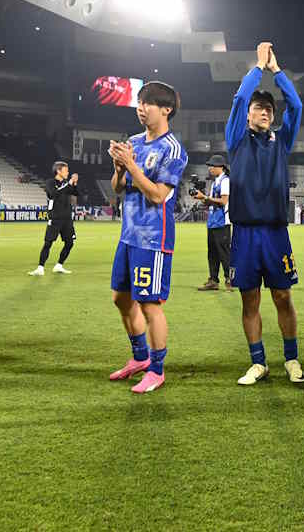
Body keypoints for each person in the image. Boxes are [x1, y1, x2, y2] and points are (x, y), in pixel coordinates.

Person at [226, 42, 304, 385]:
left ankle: (291, 359)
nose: (265, 113)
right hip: (244, 233)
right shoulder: (237, 140)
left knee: (283, 296)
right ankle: (258, 362)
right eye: (259, 108)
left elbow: (297, 104)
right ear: (248, 114)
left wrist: (276, 71)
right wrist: (257, 68)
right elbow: (239, 99)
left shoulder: (281, 142)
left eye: (269, 110)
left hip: (275, 232)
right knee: (250, 300)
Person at [107, 81, 188, 393]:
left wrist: (131, 166)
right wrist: (119, 168)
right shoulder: (134, 142)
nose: (141, 108)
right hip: (128, 235)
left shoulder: (173, 150)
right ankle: (139, 358)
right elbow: (118, 188)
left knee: (150, 304)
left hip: (154, 237)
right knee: (120, 298)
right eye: (139, 103)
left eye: (148, 103)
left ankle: (156, 369)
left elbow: (157, 196)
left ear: (166, 109)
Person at [29, 162, 78, 275]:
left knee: (70, 243)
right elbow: (53, 194)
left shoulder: (66, 183)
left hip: (67, 219)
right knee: (48, 243)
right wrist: (69, 184)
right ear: (58, 171)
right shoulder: (50, 182)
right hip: (55, 218)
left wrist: (74, 184)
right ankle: (40, 268)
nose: (68, 172)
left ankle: (59, 265)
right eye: (66, 170)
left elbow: (75, 193)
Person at [195, 154, 233, 291]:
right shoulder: (215, 182)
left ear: (220, 167)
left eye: (212, 166)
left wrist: (205, 197)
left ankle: (230, 279)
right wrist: (201, 198)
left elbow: (223, 201)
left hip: (222, 222)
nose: (210, 168)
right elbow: (211, 201)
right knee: (212, 253)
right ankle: (213, 280)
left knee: (224, 253)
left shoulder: (225, 181)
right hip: (212, 221)